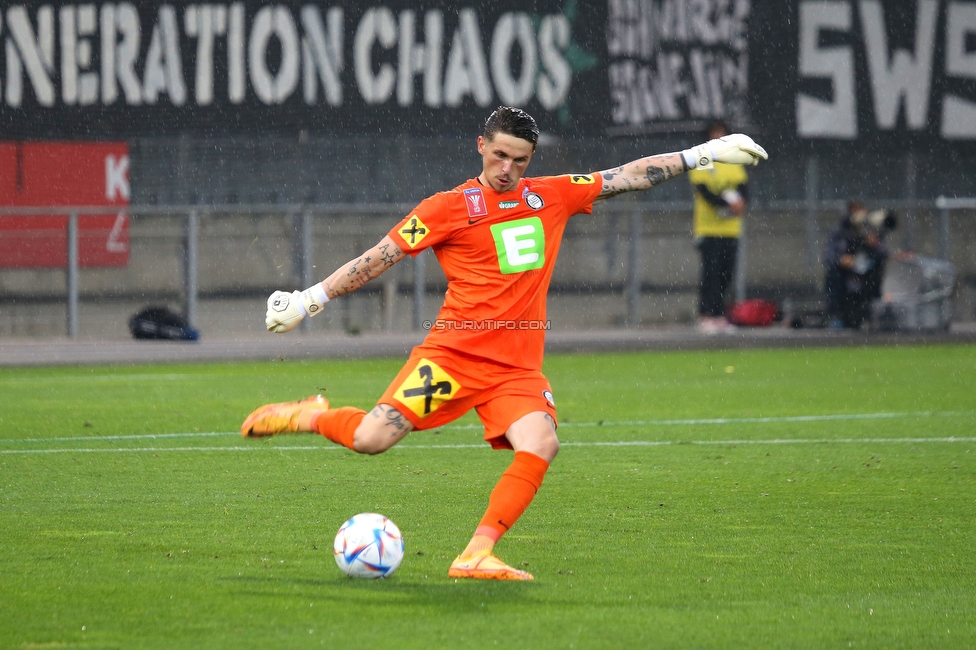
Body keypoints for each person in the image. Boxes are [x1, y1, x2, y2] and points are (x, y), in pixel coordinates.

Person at [241, 107, 767, 580]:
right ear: (480, 147)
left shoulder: (551, 195)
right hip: (452, 360)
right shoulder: (448, 207)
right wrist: (309, 300)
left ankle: (475, 553)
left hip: (515, 370)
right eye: (499, 156)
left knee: (541, 443)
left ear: (530, 158)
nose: (508, 169)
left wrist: (702, 155)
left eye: (520, 160)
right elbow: (381, 256)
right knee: (371, 440)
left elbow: (624, 176)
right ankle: (309, 414)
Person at [688, 120, 752, 334]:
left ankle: (719, 314)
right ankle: (706, 315)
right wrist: (727, 204)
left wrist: (741, 203)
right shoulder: (703, 158)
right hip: (708, 228)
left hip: (730, 228)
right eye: (714, 134)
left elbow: (743, 187)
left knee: (726, 274)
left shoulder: (733, 159)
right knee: (711, 273)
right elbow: (704, 190)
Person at [824, 201, 897, 329]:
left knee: (863, 321)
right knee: (843, 321)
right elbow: (831, 256)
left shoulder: (872, 235)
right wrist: (843, 259)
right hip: (843, 286)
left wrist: (872, 245)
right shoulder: (840, 233)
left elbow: (881, 256)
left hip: (865, 288)